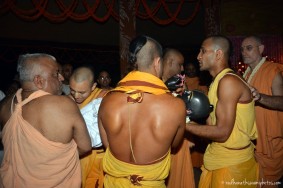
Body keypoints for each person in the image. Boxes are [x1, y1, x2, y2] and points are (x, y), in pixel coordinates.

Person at [98, 35, 186, 188]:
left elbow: (108, 146)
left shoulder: (107, 101)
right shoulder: (175, 105)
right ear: (158, 62)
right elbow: (174, 145)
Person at [0, 53, 92, 188]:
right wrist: (57, 157)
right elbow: (85, 146)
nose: (61, 78)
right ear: (39, 81)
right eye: (56, 74)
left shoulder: (4, 104)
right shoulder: (63, 105)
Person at [186, 35, 258, 188]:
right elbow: (212, 125)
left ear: (218, 54)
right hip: (219, 157)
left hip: (233, 164)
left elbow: (222, 132)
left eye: (203, 51)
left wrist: (181, 124)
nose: (198, 56)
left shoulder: (228, 82)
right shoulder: (216, 82)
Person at [241, 35, 283, 187]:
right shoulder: (245, 75)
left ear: (261, 49)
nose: (244, 52)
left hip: (271, 139)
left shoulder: (273, 71)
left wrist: (260, 97)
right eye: (242, 49)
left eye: (249, 48)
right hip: (253, 138)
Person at [161, 48, 195, 188]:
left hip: (180, 141)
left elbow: (189, 110)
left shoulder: (181, 83)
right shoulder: (154, 81)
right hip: (160, 141)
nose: (182, 68)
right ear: (169, 62)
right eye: (180, 64)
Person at [69, 66, 108, 188]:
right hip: (75, 157)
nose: (76, 96)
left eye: (81, 92)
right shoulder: (67, 101)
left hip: (96, 159)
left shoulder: (105, 98)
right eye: (72, 90)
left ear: (93, 87)